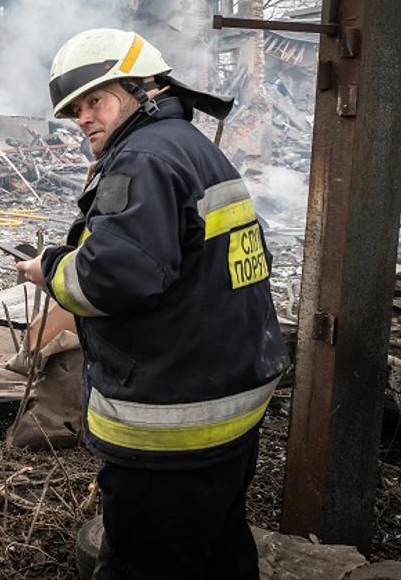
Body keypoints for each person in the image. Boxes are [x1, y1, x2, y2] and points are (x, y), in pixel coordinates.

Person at [15, 28, 288, 580]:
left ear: (145, 89)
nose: (84, 117)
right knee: (220, 554)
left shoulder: (140, 160)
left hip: (170, 425)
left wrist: (50, 269)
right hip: (229, 404)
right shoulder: (191, 147)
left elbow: (115, 280)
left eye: (97, 100)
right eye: (76, 110)